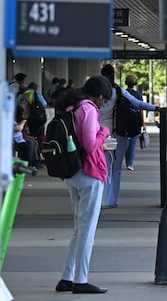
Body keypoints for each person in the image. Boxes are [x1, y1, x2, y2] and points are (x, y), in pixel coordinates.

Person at [55, 75, 112, 295]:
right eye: (104, 99)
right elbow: (90, 145)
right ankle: (81, 279)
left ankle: (67, 277)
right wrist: (104, 132)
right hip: (89, 172)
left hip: (72, 173)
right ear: (98, 95)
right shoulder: (88, 109)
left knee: (79, 228)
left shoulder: (71, 107)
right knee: (87, 230)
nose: (104, 103)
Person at [99, 64, 159, 208]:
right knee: (116, 168)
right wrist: (156, 108)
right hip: (118, 132)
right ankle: (112, 200)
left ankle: (103, 199)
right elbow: (137, 104)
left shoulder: (95, 92)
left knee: (104, 166)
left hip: (99, 134)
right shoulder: (118, 91)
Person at [124, 74, 143, 171]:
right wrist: (142, 123)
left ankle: (122, 159)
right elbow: (141, 109)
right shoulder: (138, 95)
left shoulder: (123, 93)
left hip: (124, 120)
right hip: (136, 120)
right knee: (133, 142)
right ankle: (130, 163)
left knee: (124, 141)